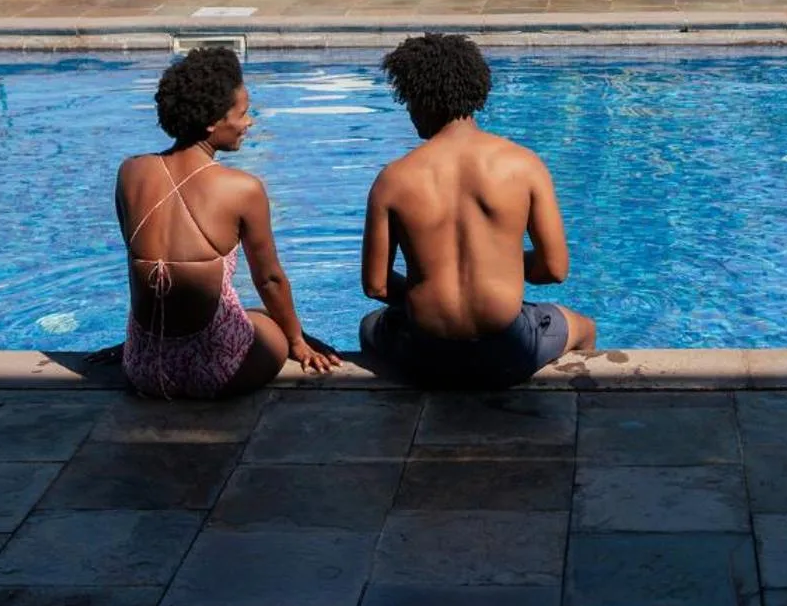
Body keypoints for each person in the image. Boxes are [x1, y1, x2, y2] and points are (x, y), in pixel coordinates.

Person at [359, 32, 595, 388]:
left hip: (425, 358)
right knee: (584, 327)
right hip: (509, 353)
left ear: (420, 98)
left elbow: (376, 286)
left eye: (408, 100)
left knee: (369, 326)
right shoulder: (524, 165)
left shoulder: (393, 179)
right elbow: (554, 269)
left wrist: (431, 285)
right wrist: (500, 264)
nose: (408, 111)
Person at [115, 47, 338, 398]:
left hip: (142, 367)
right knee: (272, 324)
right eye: (243, 114)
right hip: (216, 374)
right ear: (212, 122)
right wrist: (297, 341)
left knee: (247, 311)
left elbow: (145, 265)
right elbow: (269, 279)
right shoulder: (242, 189)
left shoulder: (131, 172)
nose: (249, 123)